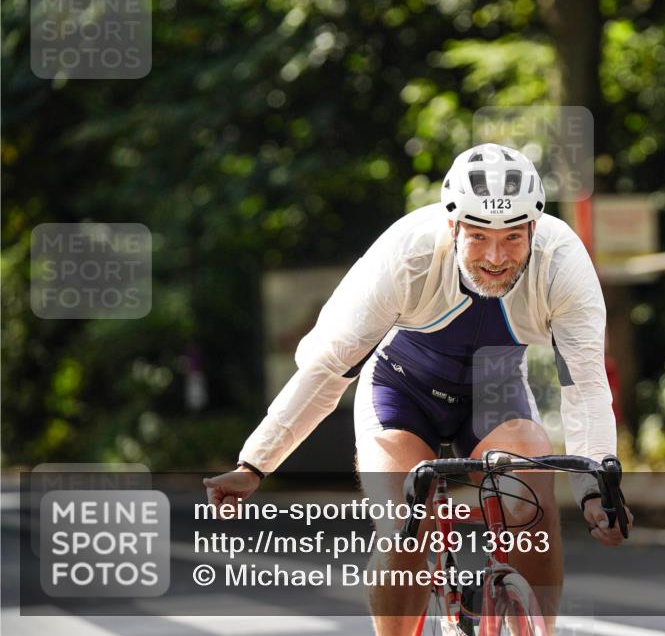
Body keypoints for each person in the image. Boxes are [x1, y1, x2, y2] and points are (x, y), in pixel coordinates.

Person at [204, 143, 632, 635]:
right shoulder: (407, 252)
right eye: (478, 237)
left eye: (513, 237)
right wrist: (255, 462)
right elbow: (327, 370)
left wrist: (595, 489)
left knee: (533, 500)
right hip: (401, 393)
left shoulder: (562, 263)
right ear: (452, 226)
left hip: (494, 394)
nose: (496, 257)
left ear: (535, 228)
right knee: (406, 530)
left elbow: (586, 386)